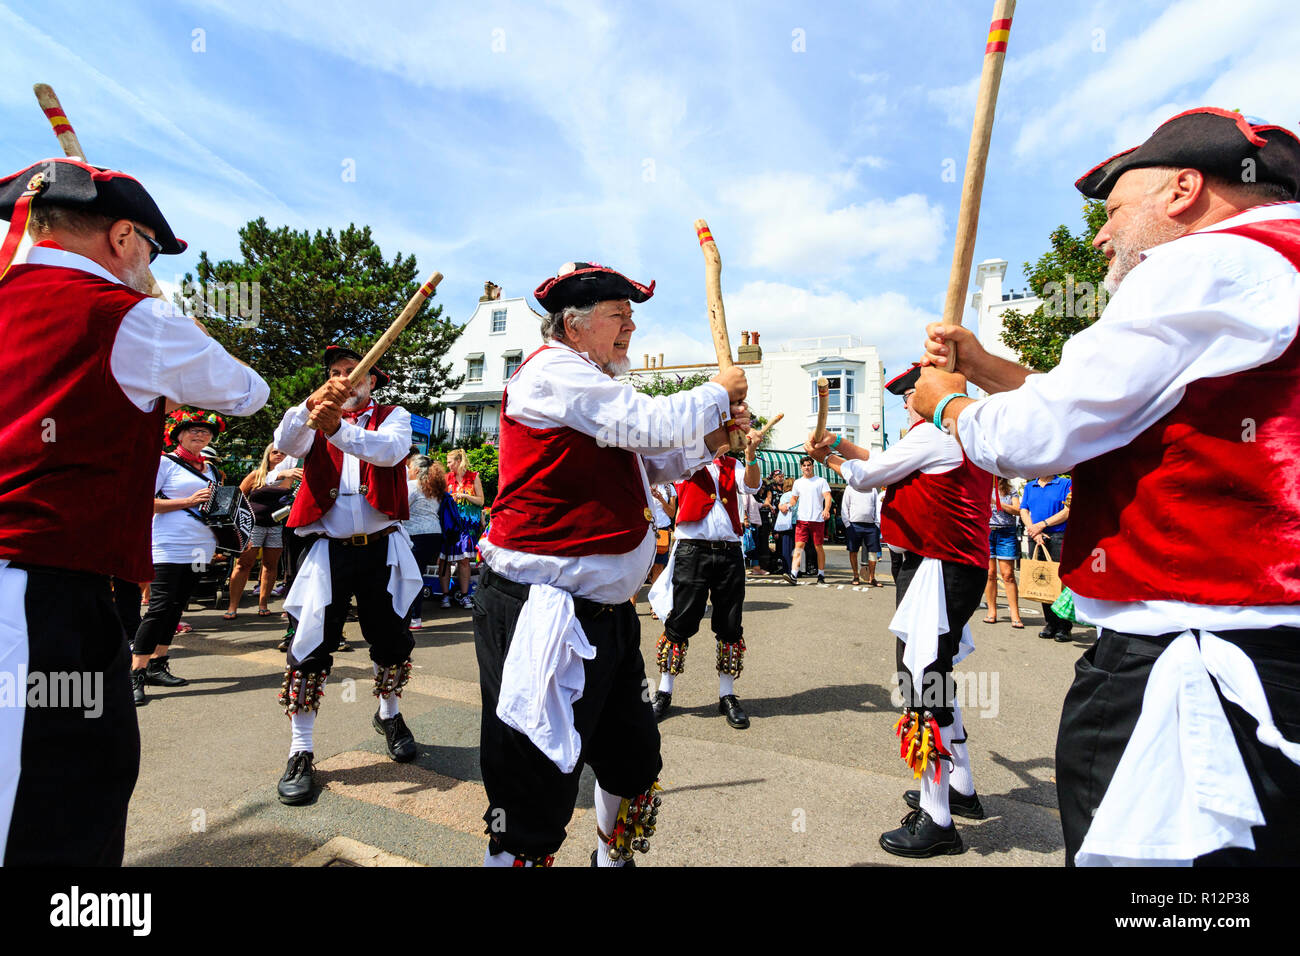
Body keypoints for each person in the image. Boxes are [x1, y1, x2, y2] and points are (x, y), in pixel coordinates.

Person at [914, 107, 1300, 866]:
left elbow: (1038, 436)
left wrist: (949, 405)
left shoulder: (1205, 264)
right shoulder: (1276, 264)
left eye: (1115, 208)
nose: (1099, 235)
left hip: (1194, 654)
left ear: (1184, 189)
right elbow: (1107, 409)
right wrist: (986, 364)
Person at [0, 156, 268, 864]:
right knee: (55, 802)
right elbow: (248, 391)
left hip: (41, 579)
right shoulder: (131, 316)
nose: (148, 262)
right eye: (149, 248)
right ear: (123, 238)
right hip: (41, 589)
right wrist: (156, 302)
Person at [474, 261, 748, 866]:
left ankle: (611, 859)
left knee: (631, 755)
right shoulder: (554, 373)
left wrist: (713, 442)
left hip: (604, 614)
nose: (630, 328)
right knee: (531, 787)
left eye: (631, 318)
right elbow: (646, 423)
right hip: (540, 608)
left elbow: (646, 463)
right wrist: (716, 392)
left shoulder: (592, 385)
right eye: (618, 316)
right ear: (573, 326)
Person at [806, 363, 993, 857]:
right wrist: (840, 450)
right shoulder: (963, 432)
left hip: (935, 567)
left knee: (921, 683)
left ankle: (937, 819)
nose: (906, 403)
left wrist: (833, 460)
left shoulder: (933, 434)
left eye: (910, 395)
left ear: (928, 395)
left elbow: (868, 476)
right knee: (938, 676)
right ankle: (962, 789)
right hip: (954, 565)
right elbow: (887, 460)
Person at [271, 344, 424, 805]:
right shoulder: (314, 417)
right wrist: (312, 405)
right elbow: (286, 442)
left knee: (392, 639)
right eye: (336, 373)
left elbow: (389, 452)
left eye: (354, 374)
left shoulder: (395, 417)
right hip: (327, 552)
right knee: (310, 643)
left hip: (382, 550)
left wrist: (336, 427)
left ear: (372, 381)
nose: (345, 380)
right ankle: (301, 750)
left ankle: (389, 713)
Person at [648, 433, 763, 730]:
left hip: (729, 551)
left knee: (730, 622)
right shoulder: (685, 458)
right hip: (692, 549)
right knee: (680, 620)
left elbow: (751, 485)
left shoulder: (734, 465)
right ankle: (664, 690)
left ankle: (727, 694)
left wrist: (749, 454)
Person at [132, 410, 228, 703]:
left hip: (201, 547)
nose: (200, 435)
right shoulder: (164, 462)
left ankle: (158, 665)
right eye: (193, 431)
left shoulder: (210, 469)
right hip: (170, 546)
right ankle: (135, 673)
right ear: (179, 435)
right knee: (159, 607)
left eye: (205, 432)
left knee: (177, 606)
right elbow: (141, 502)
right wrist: (187, 501)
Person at [224, 444, 296, 620]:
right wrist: (239, 524)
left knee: (271, 566)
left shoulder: (291, 478)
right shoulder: (257, 475)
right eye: (275, 452)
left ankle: (263, 604)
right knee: (243, 564)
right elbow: (237, 497)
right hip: (253, 525)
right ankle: (232, 606)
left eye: (283, 452)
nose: (279, 455)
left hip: (276, 526)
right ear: (267, 455)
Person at [1020, 473, 1073, 641]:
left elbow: (1067, 511)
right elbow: (1024, 510)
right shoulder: (1030, 486)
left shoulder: (1065, 483)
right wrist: (1033, 530)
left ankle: (1064, 626)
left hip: (1057, 535)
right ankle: (1050, 623)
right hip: (1035, 537)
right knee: (1042, 580)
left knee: (1060, 582)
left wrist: (1043, 525)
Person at [404, 454, 450, 629]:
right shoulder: (434, 488)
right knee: (418, 576)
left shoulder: (412, 486)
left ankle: (413, 617)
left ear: (416, 470)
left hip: (415, 536)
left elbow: (401, 508)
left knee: (409, 578)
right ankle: (414, 616)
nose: (407, 471)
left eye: (409, 468)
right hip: (434, 536)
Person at [445, 448, 484, 609]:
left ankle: (465, 595)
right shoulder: (447, 478)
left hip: (468, 526)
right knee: (445, 559)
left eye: (449, 461)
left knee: (464, 560)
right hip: (451, 525)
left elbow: (481, 501)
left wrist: (465, 496)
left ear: (458, 461)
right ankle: (445, 596)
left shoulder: (473, 476)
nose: (447, 465)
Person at [984, 477, 1024, 628]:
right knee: (990, 574)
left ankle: (1015, 614)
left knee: (1008, 575)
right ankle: (991, 611)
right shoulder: (984, 486)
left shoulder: (1010, 489)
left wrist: (997, 503)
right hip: (987, 531)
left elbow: (1018, 510)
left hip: (1006, 533)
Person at [788, 456, 832, 584]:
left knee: (818, 547)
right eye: (804, 465)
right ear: (801, 468)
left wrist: (826, 509)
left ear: (813, 466)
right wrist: (789, 505)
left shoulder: (821, 481)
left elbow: (827, 496)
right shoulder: (798, 482)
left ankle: (821, 574)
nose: (807, 467)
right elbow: (794, 498)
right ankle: (793, 574)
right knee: (798, 547)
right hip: (802, 520)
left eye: (809, 465)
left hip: (817, 519)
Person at [841, 480, 882, 586]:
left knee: (873, 552)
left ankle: (872, 578)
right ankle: (855, 576)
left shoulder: (872, 488)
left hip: (871, 525)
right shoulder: (849, 488)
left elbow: (877, 507)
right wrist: (847, 524)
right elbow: (845, 506)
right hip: (854, 525)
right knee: (853, 551)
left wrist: (877, 524)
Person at [647, 482, 676, 619]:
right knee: (641, 568)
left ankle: (655, 605)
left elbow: (671, 512)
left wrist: (660, 498)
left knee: (658, 567)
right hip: (644, 530)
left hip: (662, 531)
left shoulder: (669, 488)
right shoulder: (641, 481)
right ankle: (631, 605)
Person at [772, 476, 796, 581]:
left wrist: (779, 506)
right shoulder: (798, 496)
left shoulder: (785, 495)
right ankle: (797, 570)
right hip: (798, 522)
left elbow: (783, 509)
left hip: (787, 524)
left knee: (787, 547)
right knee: (797, 547)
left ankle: (787, 569)